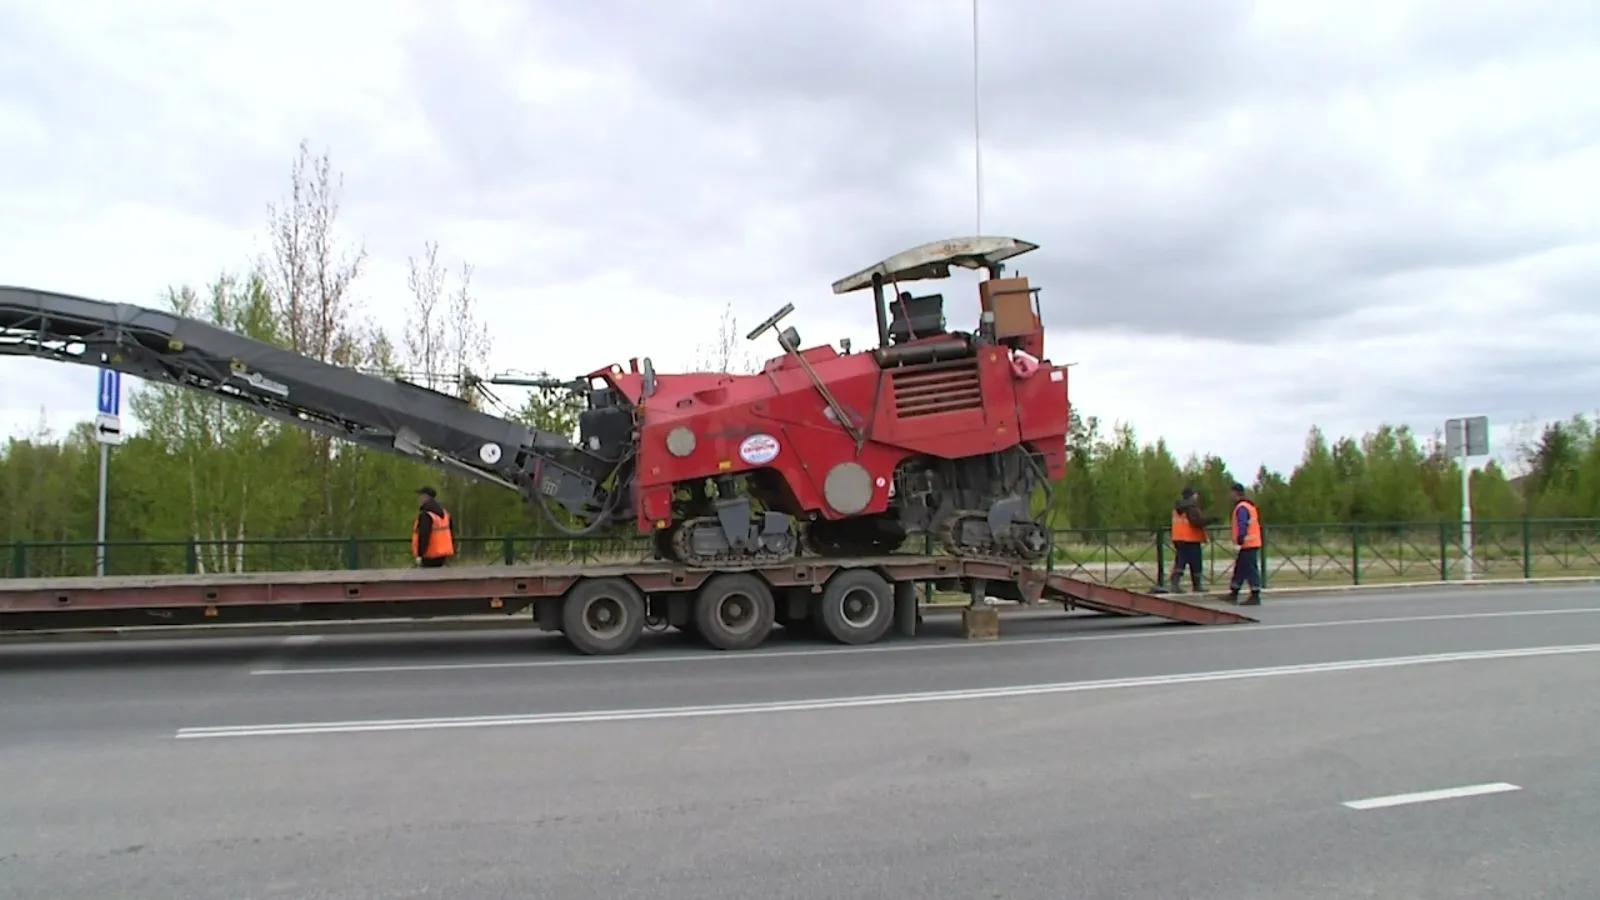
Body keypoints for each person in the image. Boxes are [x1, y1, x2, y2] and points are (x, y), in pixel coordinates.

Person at [1167, 486, 1213, 593]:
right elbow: (1196, 522)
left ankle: (1175, 584)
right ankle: (1197, 585)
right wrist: (1210, 520)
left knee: (1180, 562)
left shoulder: (1177, 507)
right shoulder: (1191, 507)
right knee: (1196, 562)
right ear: (1192, 495)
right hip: (1191, 538)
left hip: (1178, 538)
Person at [1227, 482, 1262, 605]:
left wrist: (1240, 539)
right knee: (1240, 568)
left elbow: (1242, 524)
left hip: (1248, 543)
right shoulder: (1248, 506)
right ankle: (1234, 592)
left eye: (1231, 492)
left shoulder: (1242, 507)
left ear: (1235, 493)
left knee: (1250, 569)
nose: (1230, 495)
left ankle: (1255, 593)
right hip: (1250, 543)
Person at [412, 486, 455, 568]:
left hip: (429, 555)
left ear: (426, 497)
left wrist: (420, 555)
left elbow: (424, 535)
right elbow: (451, 533)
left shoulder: (426, 514)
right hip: (442, 556)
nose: (418, 499)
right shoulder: (444, 512)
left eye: (420, 496)